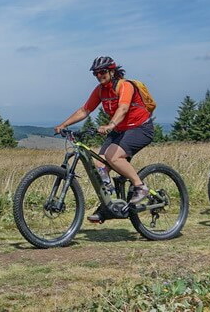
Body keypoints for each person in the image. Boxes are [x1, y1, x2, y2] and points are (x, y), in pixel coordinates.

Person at [55, 56, 155, 222]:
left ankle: (140, 186)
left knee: (113, 157)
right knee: (100, 166)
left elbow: (123, 108)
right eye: (95, 73)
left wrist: (110, 124)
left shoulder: (125, 85)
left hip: (140, 128)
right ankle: (109, 207)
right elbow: (85, 110)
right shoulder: (101, 90)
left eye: (102, 72)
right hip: (120, 130)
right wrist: (63, 124)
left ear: (112, 71)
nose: (99, 75)